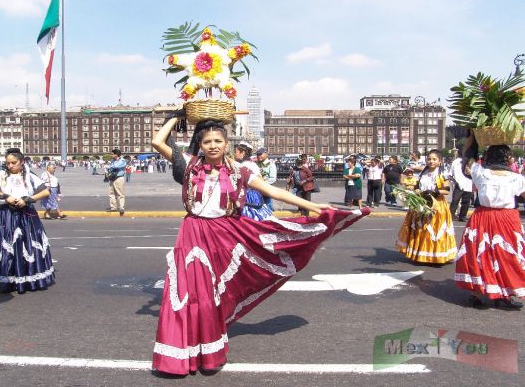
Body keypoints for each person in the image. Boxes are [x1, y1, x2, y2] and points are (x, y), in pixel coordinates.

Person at [150, 116, 370, 376]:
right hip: (192, 234)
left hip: (223, 234)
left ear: (226, 144)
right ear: (200, 143)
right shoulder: (190, 165)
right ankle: (180, 356)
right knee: (184, 292)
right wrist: (177, 116)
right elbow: (157, 141)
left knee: (211, 295)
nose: (212, 145)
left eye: (217, 141)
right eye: (206, 141)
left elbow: (273, 191)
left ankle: (208, 354)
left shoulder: (239, 171)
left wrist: (312, 206)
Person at [455, 135, 525, 309]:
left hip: (483, 217)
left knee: (480, 255)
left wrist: (472, 137)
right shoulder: (517, 178)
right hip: (507, 219)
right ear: (507, 159)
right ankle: (504, 292)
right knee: (507, 256)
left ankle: (477, 294)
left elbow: (468, 157)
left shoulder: (480, 172)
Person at [0, 148, 55, 293]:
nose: (10, 166)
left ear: (21, 162)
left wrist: (29, 199)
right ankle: (7, 277)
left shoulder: (29, 175)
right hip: (6, 214)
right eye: (8, 163)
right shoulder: (1, 174)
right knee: (6, 245)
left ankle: (28, 278)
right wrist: (5, 196)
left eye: (13, 163)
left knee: (28, 245)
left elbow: (45, 191)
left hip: (26, 214)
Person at [396, 149, 457, 264]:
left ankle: (436, 255)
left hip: (437, 205)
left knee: (435, 230)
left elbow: (447, 191)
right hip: (422, 204)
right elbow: (417, 187)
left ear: (440, 161)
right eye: (429, 159)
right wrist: (416, 192)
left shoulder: (442, 173)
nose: (431, 161)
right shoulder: (423, 173)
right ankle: (422, 254)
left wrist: (435, 191)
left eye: (434, 159)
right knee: (421, 229)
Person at [234, 142, 272, 220]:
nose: (235, 154)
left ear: (243, 153)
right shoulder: (253, 164)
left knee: (247, 219)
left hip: (248, 196)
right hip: (256, 195)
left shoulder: (243, 166)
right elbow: (261, 180)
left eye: (236, 152)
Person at [449, 157, 473, 222]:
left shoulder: (471, 161)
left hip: (469, 184)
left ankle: (462, 217)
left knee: (466, 202)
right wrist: (455, 182)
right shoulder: (456, 162)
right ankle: (450, 216)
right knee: (455, 201)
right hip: (458, 184)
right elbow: (450, 174)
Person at [107, 149, 126, 214]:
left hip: (119, 178)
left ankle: (121, 208)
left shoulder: (122, 161)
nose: (111, 155)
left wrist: (110, 166)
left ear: (116, 154)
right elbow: (110, 168)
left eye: (112, 154)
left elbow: (116, 166)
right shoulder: (112, 160)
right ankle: (113, 207)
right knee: (111, 193)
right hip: (112, 178)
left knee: (120, 193)